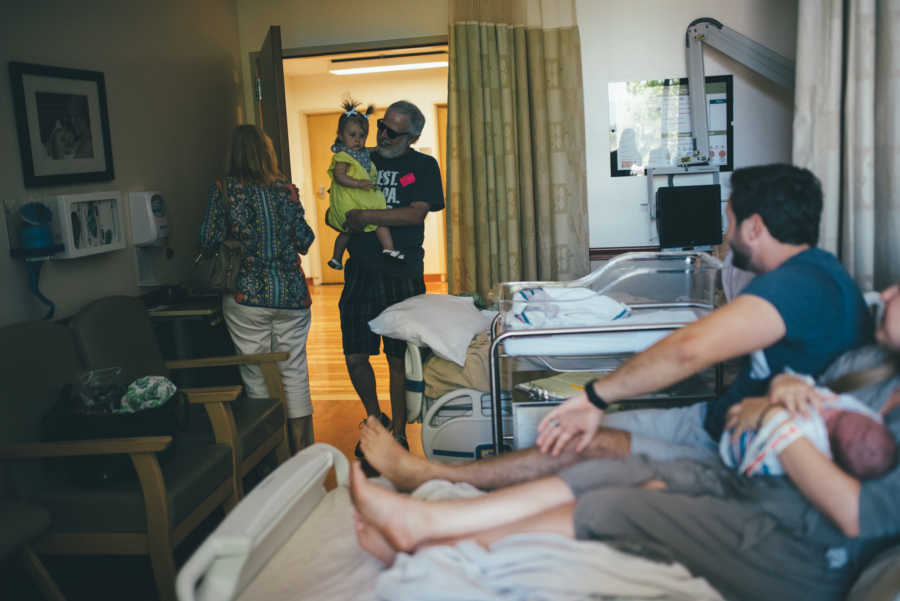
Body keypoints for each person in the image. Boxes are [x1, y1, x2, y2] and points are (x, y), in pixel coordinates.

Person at [349, 283, 900, 601]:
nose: (890, 293)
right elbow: (776, 415)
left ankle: (430, 537)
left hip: (800, 544)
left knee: (616, 500)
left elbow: (854, 513)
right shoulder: (869, 366)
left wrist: (780, 426)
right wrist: (780, 392)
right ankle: (427, 521)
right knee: (597, 467)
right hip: (753, 481)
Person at [358, 163, 873, 492]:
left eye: (731, 219)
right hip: (715, 423)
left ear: (755, 228)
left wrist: (595, 396)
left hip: (721, 444)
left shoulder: (800, 284)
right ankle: (437, 479)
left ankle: (432, 478)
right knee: (573, 439)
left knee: (580, 438)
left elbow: (691, 348)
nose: (725, 231)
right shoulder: (815, 276)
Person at [200, 124, 316, 453]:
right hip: (291, 294)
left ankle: (271, 452)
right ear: (267, 153)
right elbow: (305, 241)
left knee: (256, 373)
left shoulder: (224, 190)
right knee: (294, 371)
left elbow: (207, 241)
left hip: (246, 296)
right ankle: (303, 449)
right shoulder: (286, 190)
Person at [338, 100, 444, 452]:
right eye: (381, 126)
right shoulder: (361, 158)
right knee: (355, 355)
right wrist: (339, 216)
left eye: (392, 131)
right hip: (359, 271)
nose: (382, 135)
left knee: (398, 359)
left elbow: (415, 215)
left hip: (402, 272)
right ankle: (375, 419)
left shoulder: (424, 166)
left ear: (412, 136)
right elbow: (338, 201)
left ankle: (398, 433)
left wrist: (365, 215)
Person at [721, 388, 897, 479]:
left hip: (742, 443)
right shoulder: (857, 410)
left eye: (831, 422)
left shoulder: (812, 435)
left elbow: (780, 425)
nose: (832, 412)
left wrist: (771, 414)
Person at [325, 99, 404, 271]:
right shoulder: (342, 156)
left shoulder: (360, 153)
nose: (358, 140)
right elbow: (339, 176)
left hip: (363, 199)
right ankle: (336, 257)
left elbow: (369, 152)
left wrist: (380, 148)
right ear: (340, 135)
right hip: (351, 200)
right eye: (352, 135)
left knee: (378, 223)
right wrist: (358, 183)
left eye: (362, 136)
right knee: (347, 231)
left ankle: (389, 249)